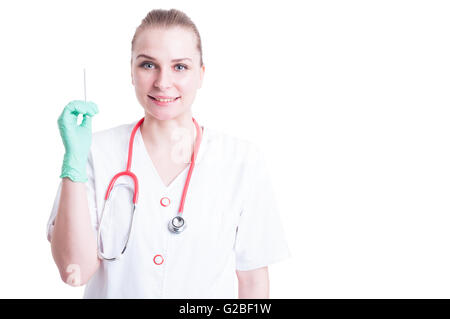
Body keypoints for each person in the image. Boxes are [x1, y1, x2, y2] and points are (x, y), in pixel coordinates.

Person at [47, 8, 290, 299]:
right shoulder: (95, 153)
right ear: (132, 73)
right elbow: (74, 271)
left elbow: (252, 285)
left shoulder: (240, 161)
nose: (163, 82)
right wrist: (72, 167)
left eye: (180, 67)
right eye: (148, 65)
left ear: (201, 75)